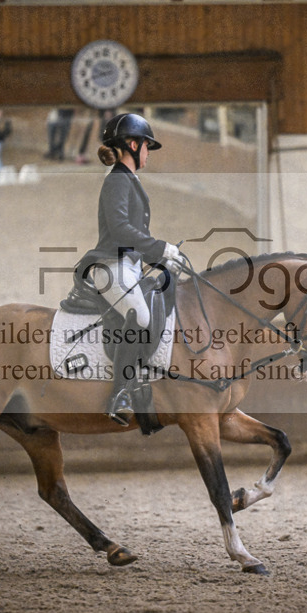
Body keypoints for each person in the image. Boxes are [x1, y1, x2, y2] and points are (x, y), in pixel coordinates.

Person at [79, 112, 182, 425]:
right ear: (132, 144)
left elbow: (131, 238)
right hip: (111, 267)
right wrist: (159, 248)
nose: (149, 153)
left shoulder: (129, 181)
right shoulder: (117, 181)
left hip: (129, 266)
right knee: (141, 315)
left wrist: (159, 259)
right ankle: (119, 394)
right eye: (147, 146)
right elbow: (121, 229)